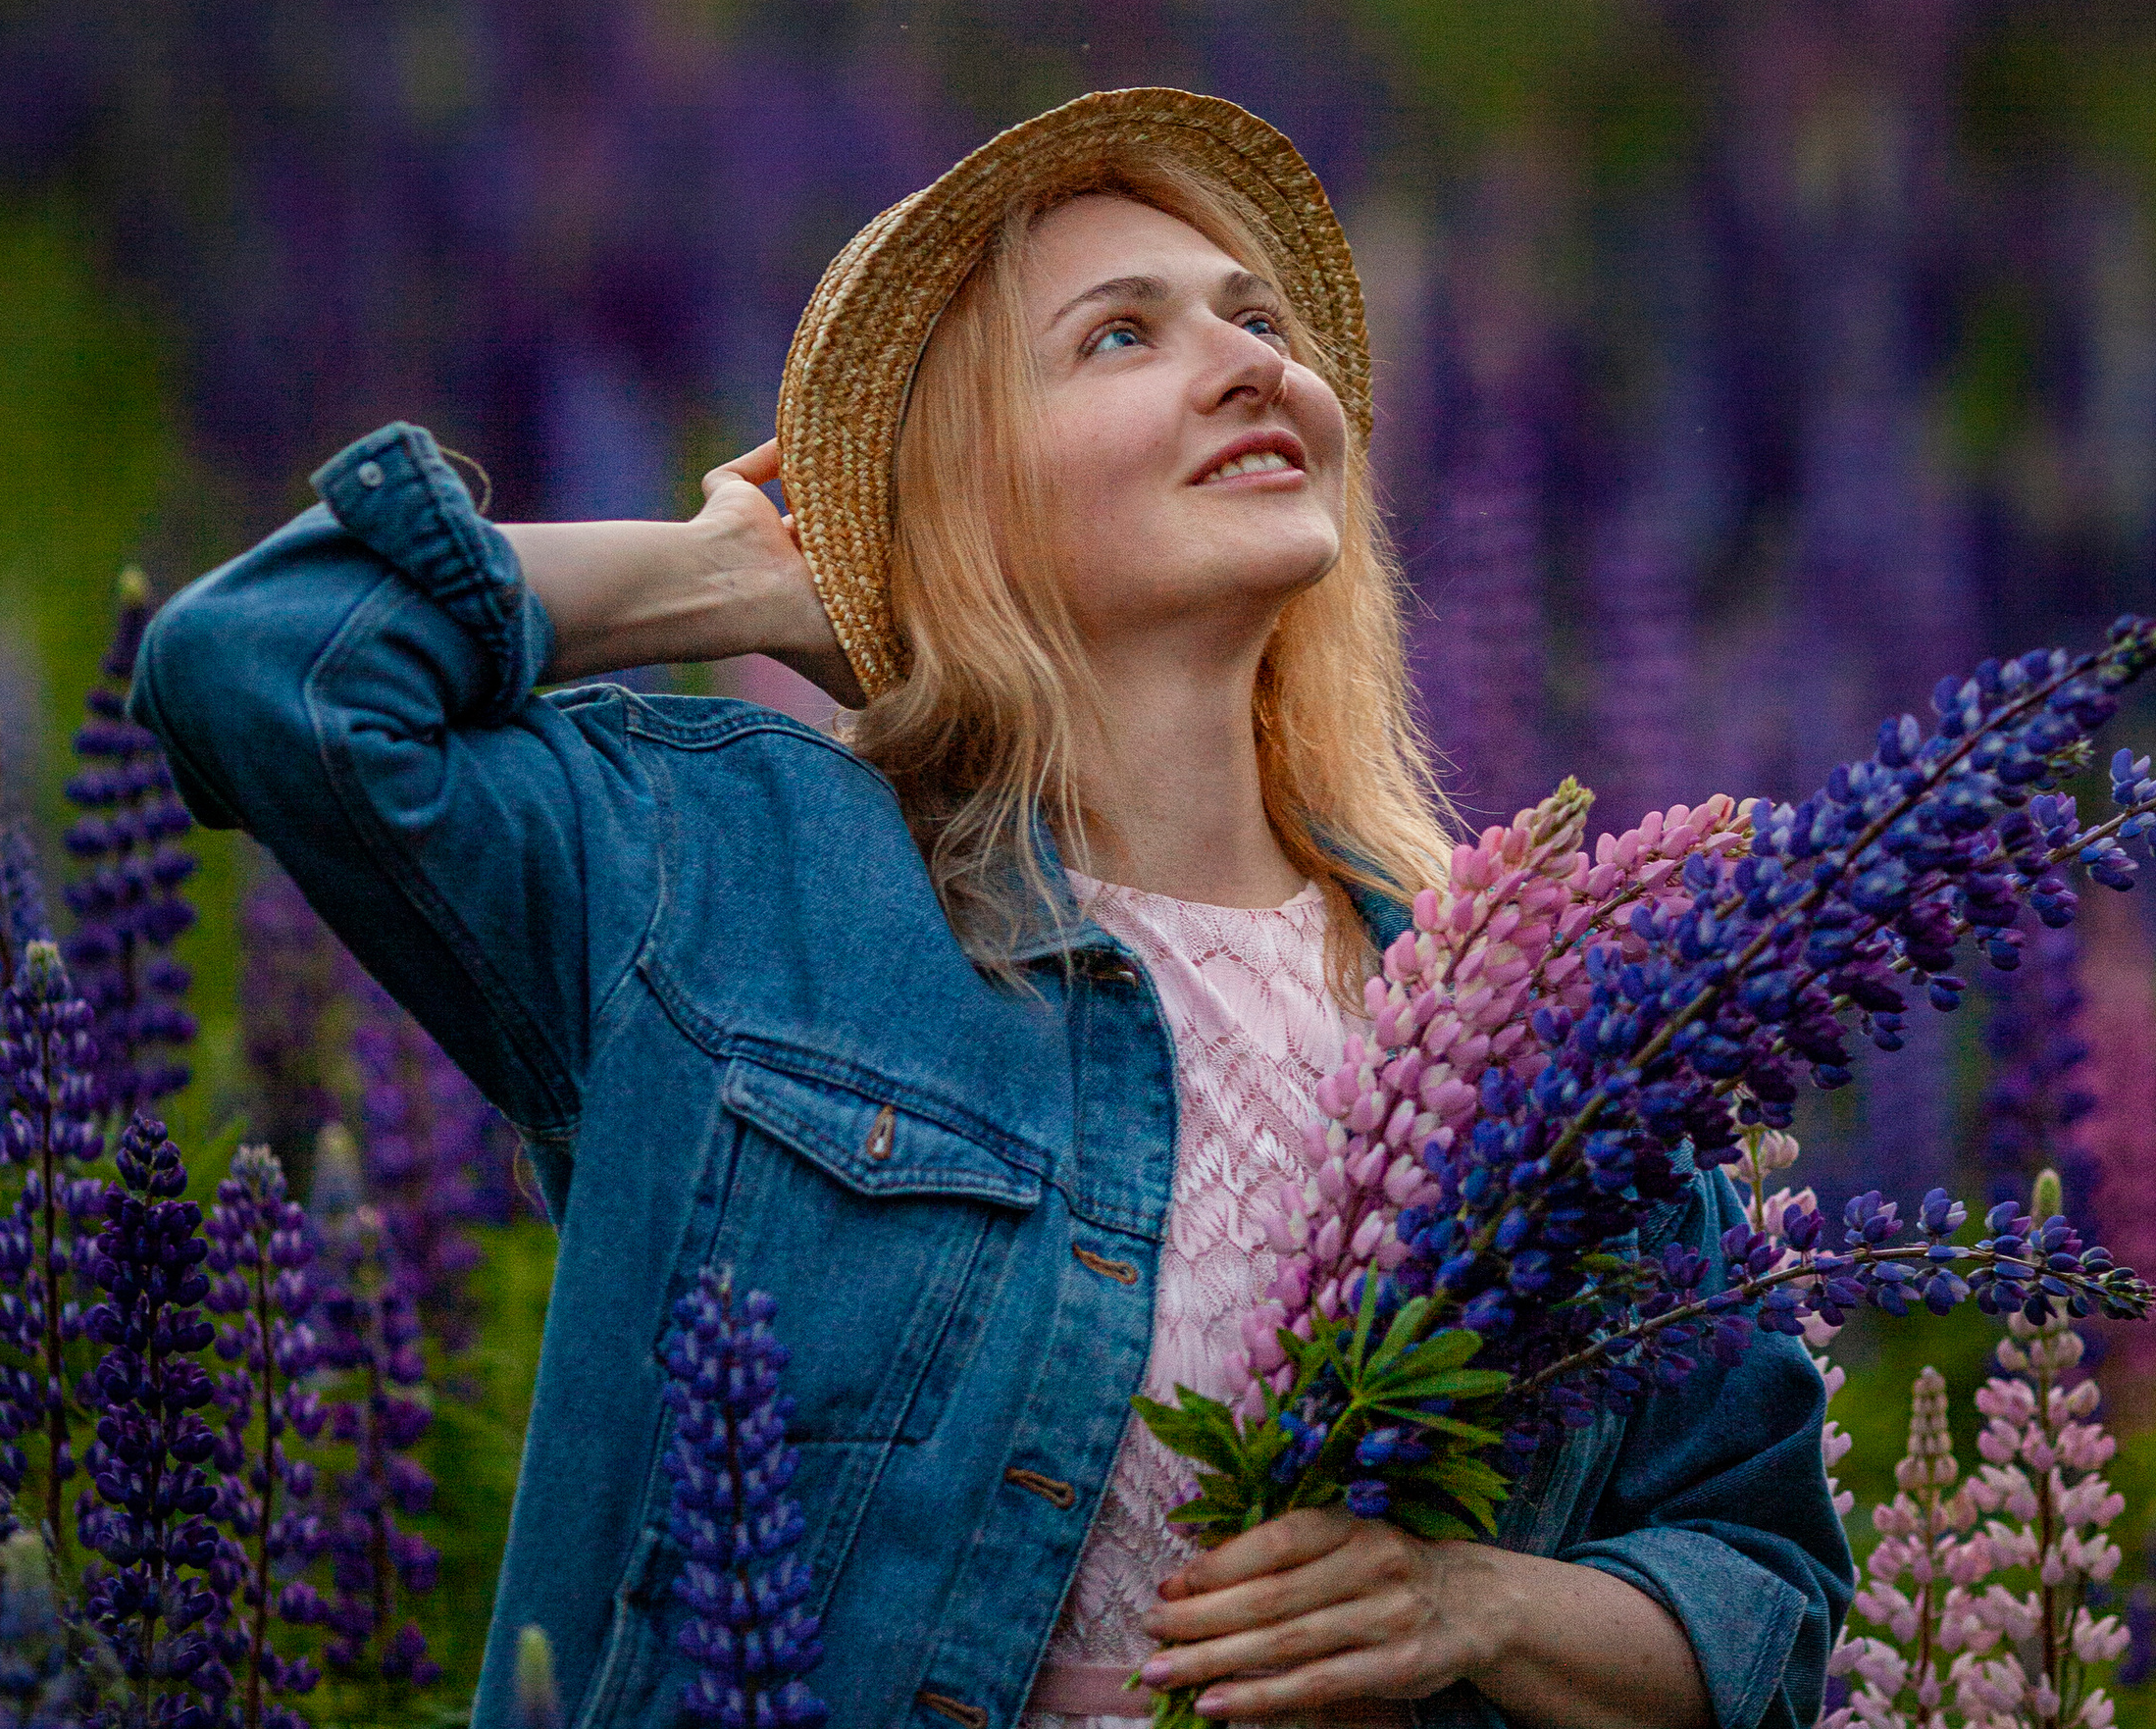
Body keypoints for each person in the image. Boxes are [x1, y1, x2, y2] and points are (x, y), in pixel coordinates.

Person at [132, 87, 1851, 1729]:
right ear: (955, 489)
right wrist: (722, 573)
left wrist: (1472, 1607)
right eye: (1124, 333)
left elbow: (1757, 1588)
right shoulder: (729, 878)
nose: (1252, 361)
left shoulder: (1518, 1016)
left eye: (1261, 322)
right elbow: (255, 673)